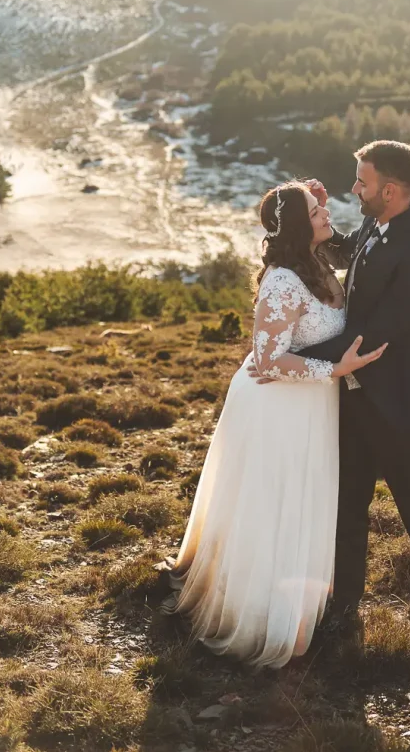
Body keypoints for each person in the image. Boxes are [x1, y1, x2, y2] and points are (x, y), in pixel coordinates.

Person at [161, 181, 386, 668]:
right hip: (278, 406)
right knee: (276, 506)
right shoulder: (284, 279)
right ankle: (265, 616)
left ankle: (301, 613)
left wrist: (309, 195)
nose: (327, 212)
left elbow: (318, 223)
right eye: (316, 209)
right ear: (299, 226)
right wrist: (337, 370)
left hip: (310, 405)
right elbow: (266, 361)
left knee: (306, 503)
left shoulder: (318, 263)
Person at [296, 140, 410, 640]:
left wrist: (287, 363)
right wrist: (317, 214)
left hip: (399, 407)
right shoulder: (380, 217)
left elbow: (372, 337)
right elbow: (351, 250)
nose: (355, 189)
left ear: (389, 190)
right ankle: (345, 609)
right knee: (348, 507)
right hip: (354, 397)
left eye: (361, 183)